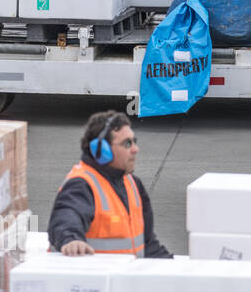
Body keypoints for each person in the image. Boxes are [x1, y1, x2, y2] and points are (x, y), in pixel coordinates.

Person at [48, 110, 172, 258]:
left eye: (134, 142)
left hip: (126, 278)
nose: (135, 149)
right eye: (127, 143)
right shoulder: (82, 184)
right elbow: (66, 218)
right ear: (102, 151)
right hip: (94, 279)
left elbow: (148, 244)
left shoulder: (133, 184)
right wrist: (71, 240)